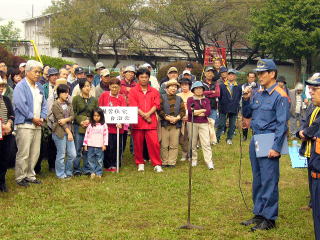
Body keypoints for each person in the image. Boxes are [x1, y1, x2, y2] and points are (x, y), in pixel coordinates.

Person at [241, 59, 289, 231]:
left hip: (269, 139)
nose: (259, 76)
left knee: (269, 180)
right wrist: (246, 99)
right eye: (258, 73)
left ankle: (269, 218)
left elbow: (282, 124)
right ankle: (259, 213)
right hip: (256, 139)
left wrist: (276, 147)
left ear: (272, 74)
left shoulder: (280, 95)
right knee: (258, 178)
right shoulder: (258, 94)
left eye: (262, 73)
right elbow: (248, 113)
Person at [13, 60, 47, 187]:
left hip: (38, 124)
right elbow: (20, 105)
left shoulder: (40, 87)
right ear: (27, 72)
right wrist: (32, 118)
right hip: (25, 124)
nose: (38, 74)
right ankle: (20, 176)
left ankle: (30, 175)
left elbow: (43, 104)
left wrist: (42, 117)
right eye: (35, 71)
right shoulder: (20, 86)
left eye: (40, 72)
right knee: (24, 152)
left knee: (35, 152)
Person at [297, 75, 320, 240]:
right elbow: (306, 128)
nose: (310, 92)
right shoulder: (314, 108)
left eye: (315, 89)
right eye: (310, 89)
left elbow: (310, 131)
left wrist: (307, 133)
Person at [128, 68, 163, 172]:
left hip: (151, 121)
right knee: (138, 144)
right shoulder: (133, 91)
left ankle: (156, 163)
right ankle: (140, 162)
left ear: (149, 78)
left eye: (146, 77)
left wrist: (148, 114)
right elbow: (133, 105)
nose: (144, 79)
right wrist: (144, 115)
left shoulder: (154, 91)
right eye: (141, 77)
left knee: (154, 143)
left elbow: (156, 104)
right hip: (138, 121)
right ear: (138, 78)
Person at [98, 77, 126, 172]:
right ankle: (107, 165)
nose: (114, 89)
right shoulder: (104, 95)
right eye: (113, 87)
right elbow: (100, 109)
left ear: (119, 88)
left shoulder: (121, 98)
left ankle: (115, 164)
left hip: (118, 128)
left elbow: (124, 112)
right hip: (106, 127)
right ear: (109, 86)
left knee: (116, 146)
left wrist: (120, 122)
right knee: (107, 146)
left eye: (116, 87)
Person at [72, 78, 98, 175]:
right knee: (78, 148)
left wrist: (90, 121)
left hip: (90, 126)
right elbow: (73, 113)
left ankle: (87, 169)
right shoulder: (76, 99)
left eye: (89, 86)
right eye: (85, 86)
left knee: (88, 149)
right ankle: (76, 169)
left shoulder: (94, 100)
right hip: (78, 126)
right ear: (81, 87)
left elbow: (96, 113)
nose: (87, 88)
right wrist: (81, 121)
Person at [187, 81, 214, 170]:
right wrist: (202, 111)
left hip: (203, 123)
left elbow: (208, 112)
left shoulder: (206, 100)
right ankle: (194, 159)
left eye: (200, 88)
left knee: (206, 143)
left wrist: (198, 112)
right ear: (193, 90)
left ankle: (209, 161)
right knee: (193, 142)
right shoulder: (190, 99)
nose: (198, 90)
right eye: (196, 89)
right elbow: (191, 112)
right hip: (192, 123)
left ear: (203, 90)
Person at [51, 84, 76, 179]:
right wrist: (69, 132)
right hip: (59, 132)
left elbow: (73, 116)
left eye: (68, 92)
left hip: (69, 131)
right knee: (61, 154)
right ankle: (61, 174)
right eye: (65, 92)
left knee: (72, 154)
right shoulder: (55, 105)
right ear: (59, 93)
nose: (67, 94)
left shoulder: (69, 103)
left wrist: (66, 119)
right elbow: (60, 121)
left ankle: (68, 172)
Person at [158, 79, 185, 167]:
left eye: (175, 87)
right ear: (167, 88)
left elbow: (183, 111)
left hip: (176, 125)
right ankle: (164, 161)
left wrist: (177, 118)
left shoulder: (179, 98)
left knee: (174, 144)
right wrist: (167, 117)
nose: (173, 88)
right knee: (164, 144)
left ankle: (172, 162)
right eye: (171, 86)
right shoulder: (162, 97)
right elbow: (159, 109)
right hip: (165, 124)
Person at [216, 69, 242, 144]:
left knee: (232, 124)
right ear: (227, 76)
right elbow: (219, 97)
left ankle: (229, 138)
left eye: (233, 74)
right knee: (221, 124)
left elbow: (239, 96)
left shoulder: (238, 86)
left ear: (235, 76)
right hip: (223, 107)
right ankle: (217, 138)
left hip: (234, 107)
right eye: (230, 74)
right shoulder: (222, 86)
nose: (231, 76)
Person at [83, 108, 108, 179]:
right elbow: (86, 135)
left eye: (98, 116)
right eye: (94, 116)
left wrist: (104, 144)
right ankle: (92, 172)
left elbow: (105, 135)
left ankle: (99, 173)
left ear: (101, 116)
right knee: (90, 160)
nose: (96, 117)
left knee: (99, 160)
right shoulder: (90, 125)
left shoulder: (104, 125)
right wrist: (85, 144)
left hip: (100, 146)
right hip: (91, 146)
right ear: (92, 116)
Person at [0, 76, 15, 192]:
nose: (1, 88)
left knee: (4, 159)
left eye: (2, 86)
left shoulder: (6, 99)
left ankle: (2, 182)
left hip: (7, 134)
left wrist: (9, 124)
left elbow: (11, 114)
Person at [177, 78, 193, 161]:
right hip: (180, 119)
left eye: (186, 85)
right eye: (182, 85)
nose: (184, 87)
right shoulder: (178, 95)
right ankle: (184, 153)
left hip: (190, 119)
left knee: (190, 137)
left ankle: (190, 155)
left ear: (189, 85)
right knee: (181, 138)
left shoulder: (193, 95)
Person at [241, 72, 260, 141]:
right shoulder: (243, 86)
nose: (251, 79)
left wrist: (251, 92)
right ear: (247, 77)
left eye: (253, 77)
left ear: (255, 78)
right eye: (250, 77)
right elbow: (244, 96)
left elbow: (260, 94)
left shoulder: (259, 85)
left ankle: (254, 136)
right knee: (245, 122)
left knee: (255, 121)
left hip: (256, 105)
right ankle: (244, 136)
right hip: (246, 105)